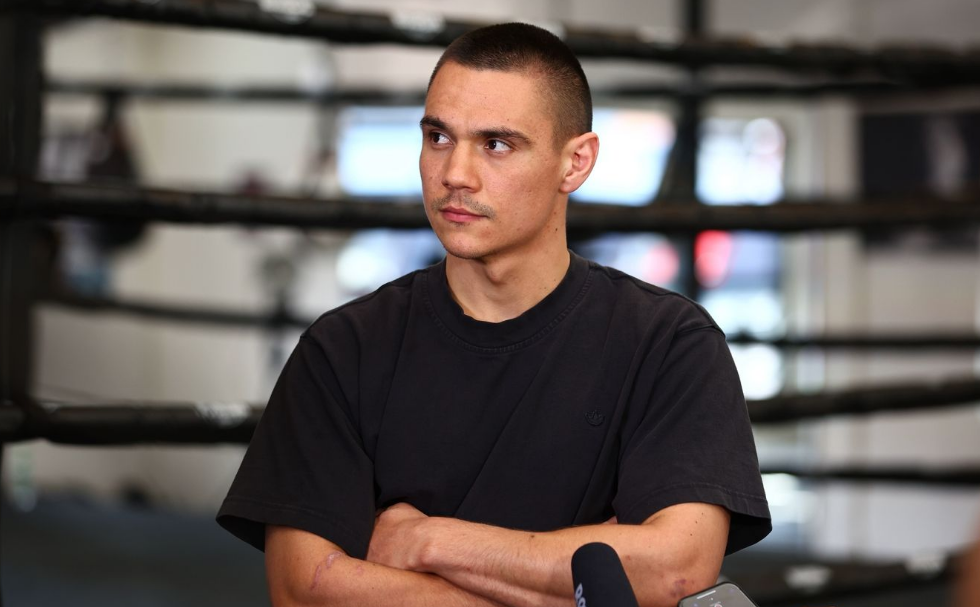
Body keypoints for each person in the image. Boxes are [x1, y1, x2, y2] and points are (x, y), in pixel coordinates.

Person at [217, 22, 771, 607]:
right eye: (438, 137)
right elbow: (304, 590)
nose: (455, 174)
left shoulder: (669, 343)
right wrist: (580, 582)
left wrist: (426, 542)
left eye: (496, 144)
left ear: (575, 163)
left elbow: (675, 573)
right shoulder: (342, 349)